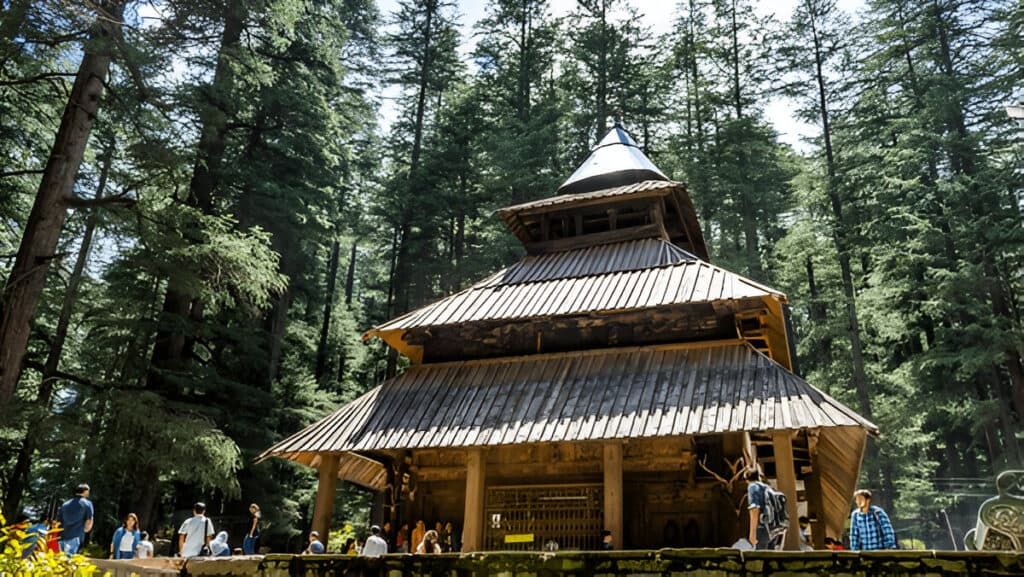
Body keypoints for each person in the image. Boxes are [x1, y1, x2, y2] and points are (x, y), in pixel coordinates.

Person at [745, 469, 784, 550]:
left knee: (760, 558)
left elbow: (754, 509)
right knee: (770, 559)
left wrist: (752, 534)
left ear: (747, 480)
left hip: (762, 528)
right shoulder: (768, 487)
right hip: (774, 527)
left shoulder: (752, 487)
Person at [57, 483, 94, 555]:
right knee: (70, 560)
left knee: (61, 560)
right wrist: (85, 531)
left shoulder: (65, 504)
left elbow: (59, 521)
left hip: (62, 536)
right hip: (75, 535)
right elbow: (89, 520)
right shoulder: (87, 503)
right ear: (85, 491)